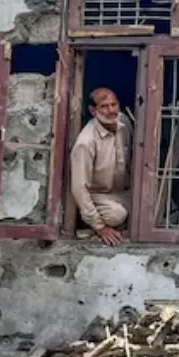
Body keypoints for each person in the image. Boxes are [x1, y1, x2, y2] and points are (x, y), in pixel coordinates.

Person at [69, 87, 131, 246]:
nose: (111, 110)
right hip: (99, 194)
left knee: (150, 206)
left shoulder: (123, 121)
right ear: (92, 110)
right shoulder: (86, 142)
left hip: (122, 191)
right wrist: (100, 227)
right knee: (117, 215)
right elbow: (79, 188)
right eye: (104, 106)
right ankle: (90, 221)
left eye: (114, 104)